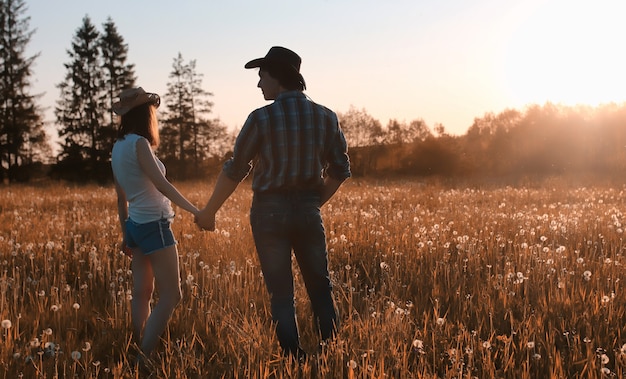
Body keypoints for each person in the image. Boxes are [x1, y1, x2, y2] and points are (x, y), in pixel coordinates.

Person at [195, 46, 351, 359]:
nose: (258, 84)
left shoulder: (260, 119)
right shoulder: (326, 117)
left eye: (261, 76)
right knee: (321, 288)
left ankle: (294, 358)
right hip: (308, 209)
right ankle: (330, 353)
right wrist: (313, 203)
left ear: (277, 76)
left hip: (267, 213)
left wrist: (209, 211)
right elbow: (340, 170)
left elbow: (236, 169)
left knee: (281, 292)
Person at [111, 87, 199, 369]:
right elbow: (162, 185)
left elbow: (120, 197)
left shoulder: (118, 146)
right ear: (145, 114)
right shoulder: (139, 144)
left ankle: (141, 345)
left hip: (136, 225)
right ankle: (144, 356)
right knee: (172, 294)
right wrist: (197, 210)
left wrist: (126, 234)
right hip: (154, 224)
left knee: (142, 292)